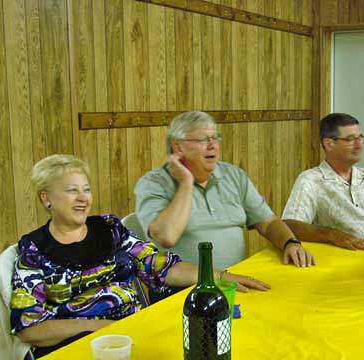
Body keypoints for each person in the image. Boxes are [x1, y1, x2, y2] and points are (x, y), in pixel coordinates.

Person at [11, 155, 269, 359]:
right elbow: (30, 328)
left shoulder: (109, 228)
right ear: (46, 198)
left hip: (138, 332)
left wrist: (218, 276)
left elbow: (161, 267)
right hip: (82, 349)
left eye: (86, 190)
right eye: (71, 191)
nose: (83, 199)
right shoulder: (35, 251)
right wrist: (99, 327)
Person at [134, 111, 315, 270]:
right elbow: (167, 237)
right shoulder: (153, 183)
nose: (212, 145)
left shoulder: (233, 176)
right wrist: (186, 183)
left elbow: (268, 222)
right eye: (203, 140)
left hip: (234, 282)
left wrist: (290, 243)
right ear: (178, 147)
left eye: (215, 138)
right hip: (182, 290)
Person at [282, 113, 364, 250]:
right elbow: (290, 225)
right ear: (329, 144)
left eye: (360, 138)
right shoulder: (311, 180)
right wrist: (332, 235)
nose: (359, 145)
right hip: (349, 262)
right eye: (351, 139)